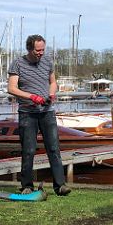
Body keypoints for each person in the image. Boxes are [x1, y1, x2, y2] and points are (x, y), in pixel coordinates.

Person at [7, 34, 71, 196]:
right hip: (27, 113)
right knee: (28, 150)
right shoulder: (18, 63)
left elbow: (53, 82)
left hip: (47, 112)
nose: (41, 53)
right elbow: (12, 88)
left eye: (42, 50)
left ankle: (60, 186)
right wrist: (32, 97)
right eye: (37, 50)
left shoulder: (47, 61)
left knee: (54, 148)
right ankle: (27, 186)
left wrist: (51, 94)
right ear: (29, 49)